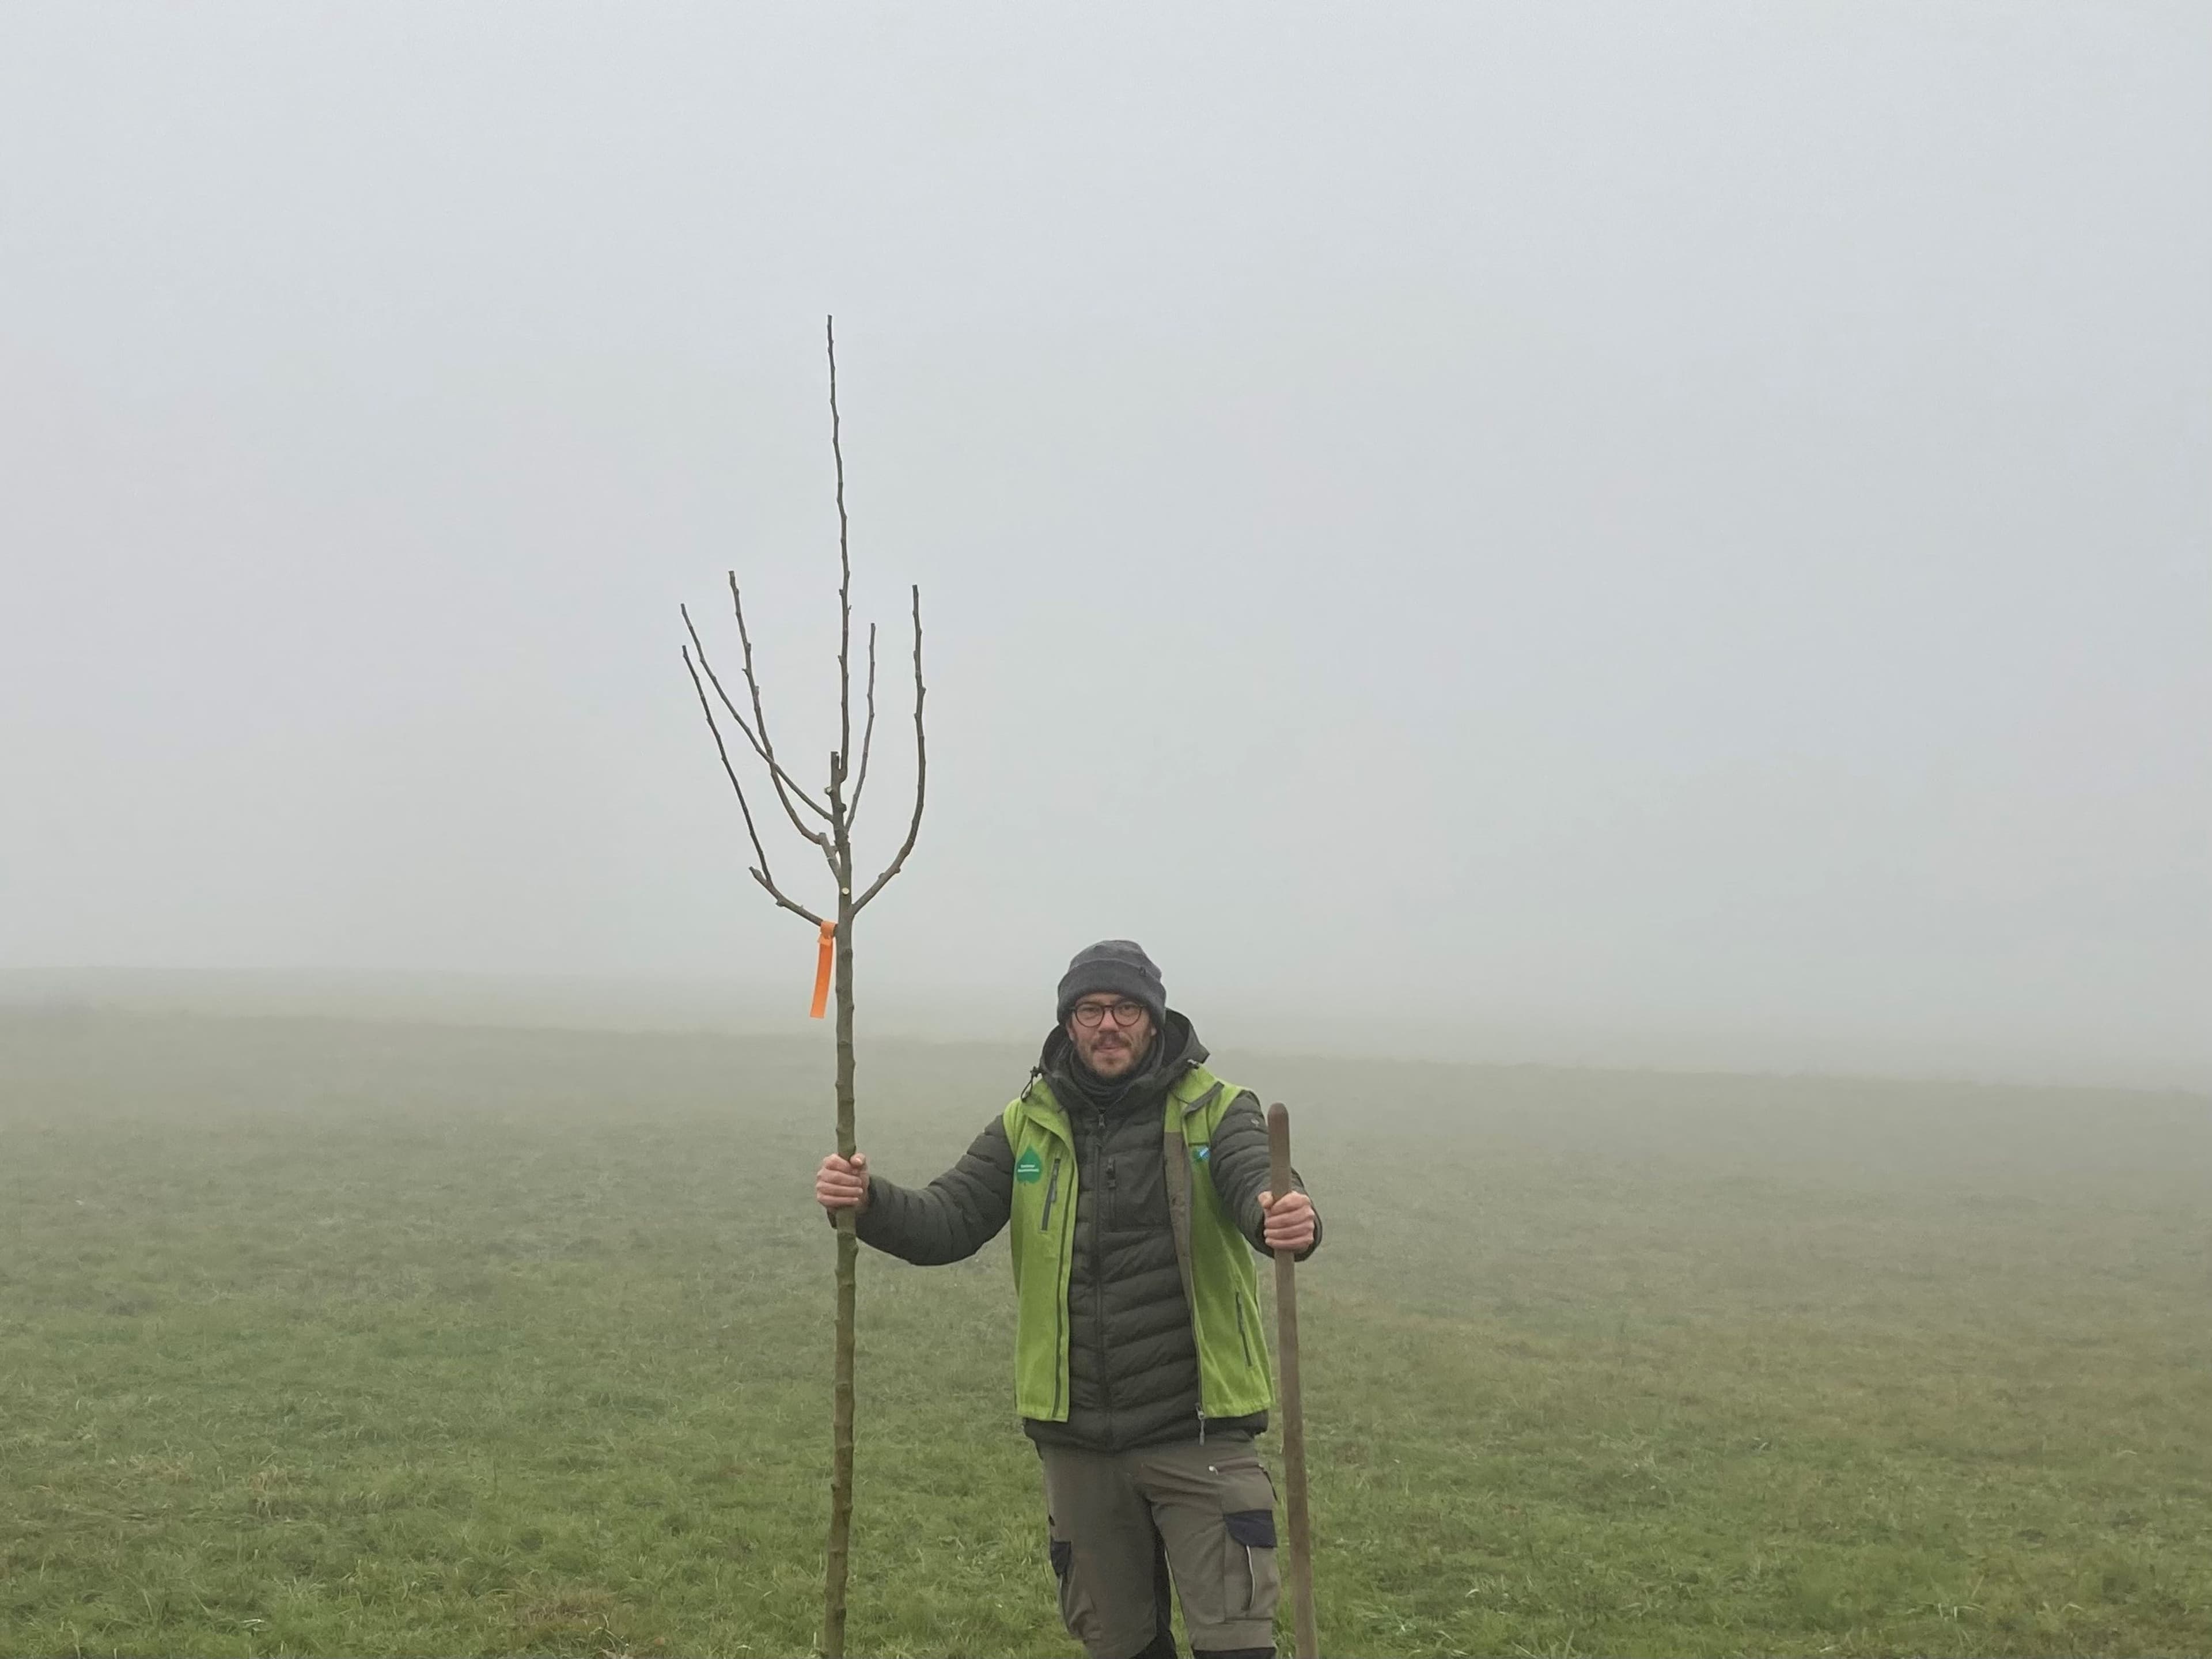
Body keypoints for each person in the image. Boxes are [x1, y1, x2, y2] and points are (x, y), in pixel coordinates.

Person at [815, 940, 1320, 1659]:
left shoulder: (1216, 1110)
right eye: (1090, 1010)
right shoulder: (1028, 1122)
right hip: (1079, 1442)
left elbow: (1257, 1179)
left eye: (1125, 1009)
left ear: (1153, 1018)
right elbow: (948, 1220)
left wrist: (1284, 1214)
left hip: (1199, 1431)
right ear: (1069, 1023)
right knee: (1121, 1648)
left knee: (1236, 1646)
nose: (1108, 1024)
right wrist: (866, 1201)